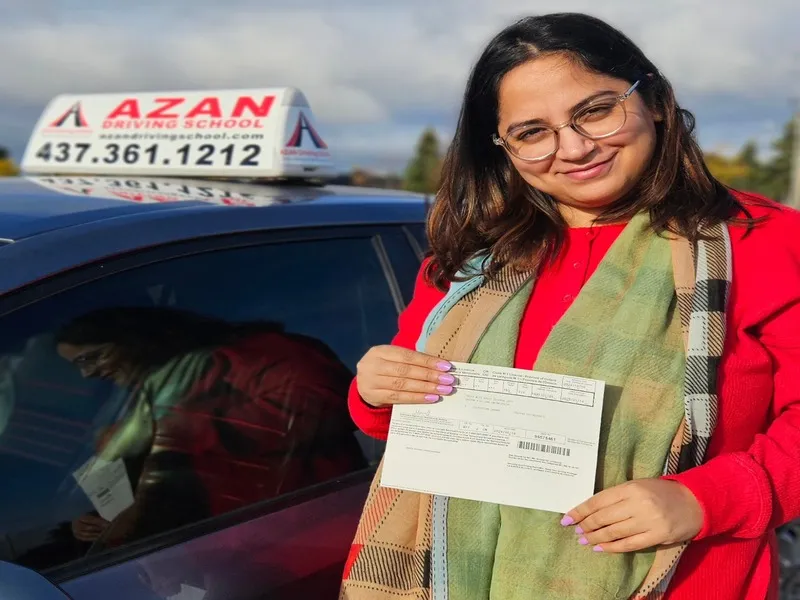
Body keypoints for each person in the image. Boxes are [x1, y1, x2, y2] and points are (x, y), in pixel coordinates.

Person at [341, 12, 800, 600]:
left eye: (595, 111)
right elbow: (403, 413)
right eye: (532, 132)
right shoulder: (476, 260)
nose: (575, 147)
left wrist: (705, 499)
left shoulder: (759, 241)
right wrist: (376, 390)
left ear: (654, 100)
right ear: (503, 149)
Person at [56, 306, 366, 547]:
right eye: (77, 366)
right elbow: (145, 479)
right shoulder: (141, 395)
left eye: (91, 358)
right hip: (202, 549)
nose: (87, 375)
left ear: (133, 340)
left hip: (296, 540)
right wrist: (91, 522)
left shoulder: (269, 356)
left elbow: (324, 406)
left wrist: (188, 427)